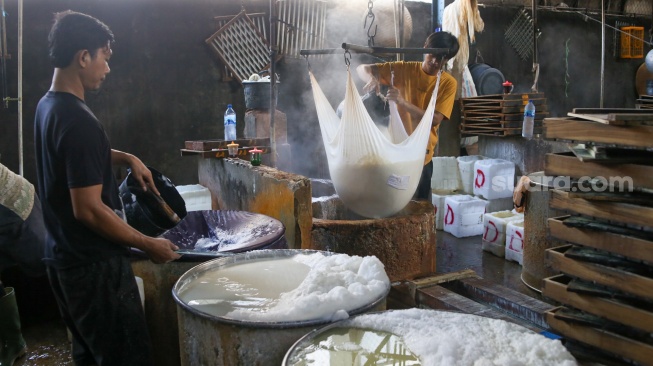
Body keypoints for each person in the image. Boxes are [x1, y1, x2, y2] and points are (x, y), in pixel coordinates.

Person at [33, 10, 180, 366]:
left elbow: (73, 156)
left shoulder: (48, 106)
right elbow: (87, 208)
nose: (107, 68)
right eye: (104, 57)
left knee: (89, 355)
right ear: (83, 57)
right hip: (94, 266)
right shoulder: (78, 120)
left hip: (63, 259)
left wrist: (127, 157)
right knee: (126, 357)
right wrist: (148, 244)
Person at [356, 31, 460, 200]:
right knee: (392, 202)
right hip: (395, 153)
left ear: (447, 60)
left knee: (419, 208)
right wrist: (372, 78)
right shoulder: (403, 68)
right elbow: (362, 69)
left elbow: (434, 119)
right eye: (433, 54)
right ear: (425, 48)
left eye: (441, 58)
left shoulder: (448, 83)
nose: (435, 61)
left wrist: (402, 102)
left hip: (422, 157)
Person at [0, 162, 47, 366]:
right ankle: (12, 342)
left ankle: (14, 342)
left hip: (14, 205)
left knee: (42, 261)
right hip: (10, 202)